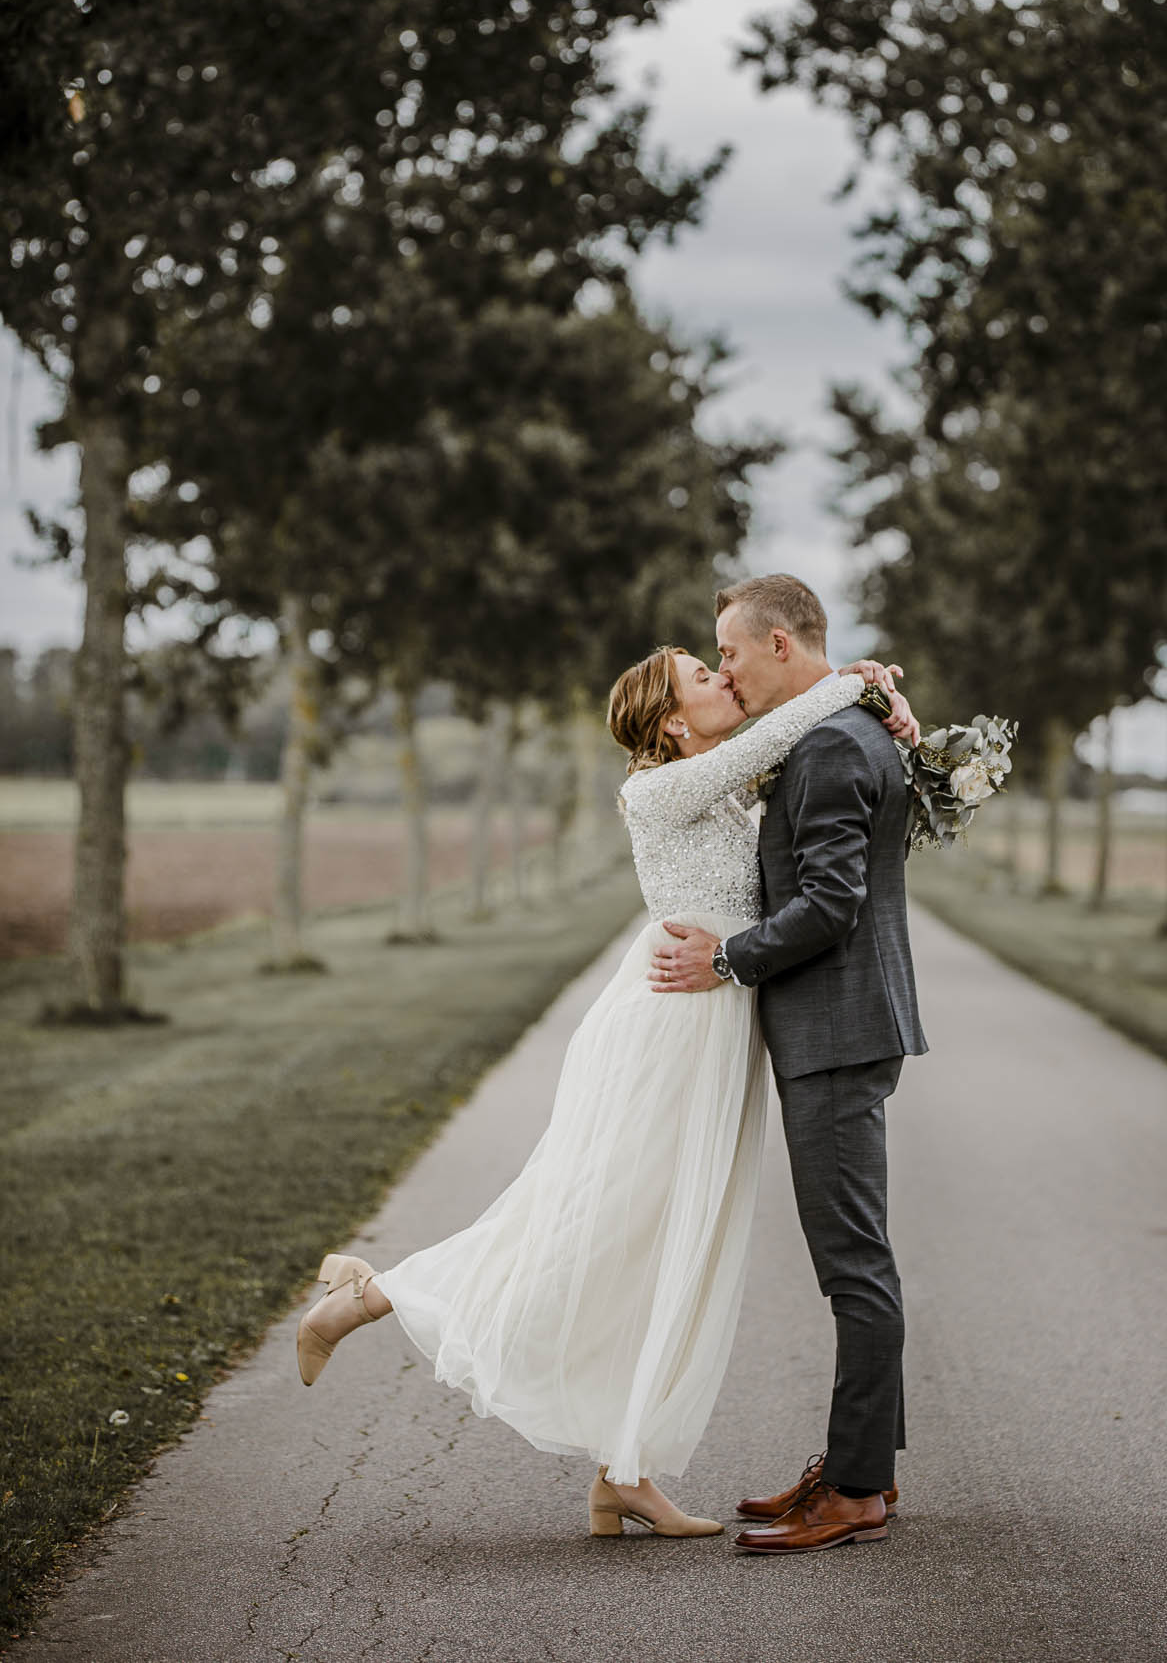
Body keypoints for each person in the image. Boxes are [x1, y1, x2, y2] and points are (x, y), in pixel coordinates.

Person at [294, 629, 915, 1542]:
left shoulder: (720, 787)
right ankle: (372, 1296)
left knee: (661, 1244)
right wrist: (856, 681)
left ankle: (624, 1473)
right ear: (672, 721)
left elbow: (809, 784)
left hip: (717, 1025)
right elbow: (781, 734)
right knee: (591, 1218)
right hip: (673, 1028)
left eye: (722, 661)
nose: (723, 677)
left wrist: (884, 710)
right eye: (704, 674)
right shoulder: (660, 788)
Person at [650, 573, 928, 1555]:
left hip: (837, 1032)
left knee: (853, 1264)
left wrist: (726, 959)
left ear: (779, 645)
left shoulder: (830, 747)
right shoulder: (838, 730)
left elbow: (830, 903)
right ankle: (864, 1468)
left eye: (728, 652)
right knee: (855, 1258)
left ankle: (853, 1491)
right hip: (840, 1028)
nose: (723, 670)